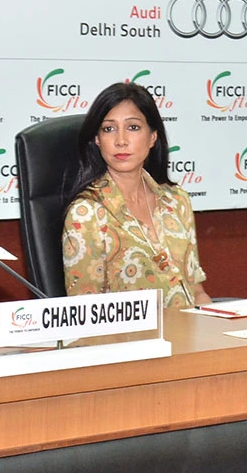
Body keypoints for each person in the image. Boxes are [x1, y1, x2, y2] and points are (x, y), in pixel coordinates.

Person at [62, 82, 211, 306]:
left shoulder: (177, 200)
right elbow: (84, 311)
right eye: (108, 129)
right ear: (97, 139)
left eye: (133, 127)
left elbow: (197, 292)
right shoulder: (86, 214)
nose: (121, 141)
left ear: (152, 137)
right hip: (129, 330)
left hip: (189, 326)